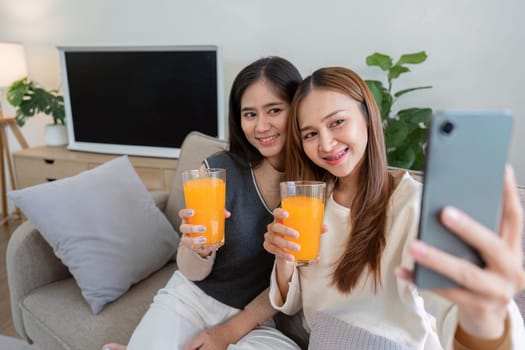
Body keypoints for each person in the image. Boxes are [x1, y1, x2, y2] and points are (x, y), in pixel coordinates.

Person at [263, 66, 525, 349]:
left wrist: (487, 316)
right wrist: (284, 259)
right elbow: (296, 305)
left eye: (337, 122)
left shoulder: (413, 205)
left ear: (368, 119)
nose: (326, 143)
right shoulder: (312, 203)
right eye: (311, 134)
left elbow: (455, 307)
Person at [102, 56, 303, 350]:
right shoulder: (219, 170)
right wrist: (197, 247)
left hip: (255, 319)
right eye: (249, 114)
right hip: (191, 298)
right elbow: (192, 272)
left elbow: (293, 282)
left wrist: (228, 332)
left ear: (296, 107)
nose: (261, 126)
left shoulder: (311, 190)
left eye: (274, 110)